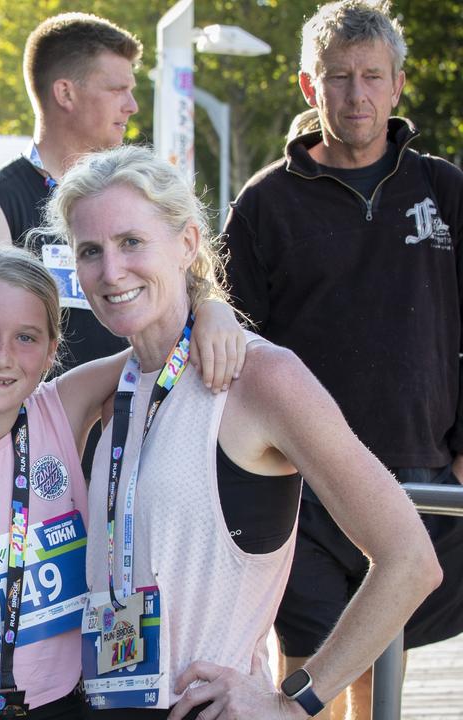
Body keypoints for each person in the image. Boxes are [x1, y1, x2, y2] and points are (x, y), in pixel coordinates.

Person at [42, 144, 440, 718]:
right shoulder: (114, 387)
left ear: (187, 244)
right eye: (90, 251)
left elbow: (410, 560)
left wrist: (292, 702)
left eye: (132, 242)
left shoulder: (260, 378)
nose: (111, 270)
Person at [0, 245, 245, 720]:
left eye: (26, 338)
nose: (1, 356)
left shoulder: (59, 409)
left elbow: (164, 345)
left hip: (67, 704)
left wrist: (212, 307)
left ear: (49, 353)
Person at [223, 3, 463, 717]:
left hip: (424, 474)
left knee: (379, 670)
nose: (355, 95)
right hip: (305, 480)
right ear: (309, 87)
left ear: (397, 85)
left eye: (370, 77)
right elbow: (236, 344)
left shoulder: (444, 190)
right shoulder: (265, 204)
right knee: (309, 674)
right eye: (338, 78)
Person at [0, 12, 141, 375]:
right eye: (117, 90)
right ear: (65, 92)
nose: (132, 106)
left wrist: (214, 313)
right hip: (31, 427)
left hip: (126, 427)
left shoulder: (134, 197)